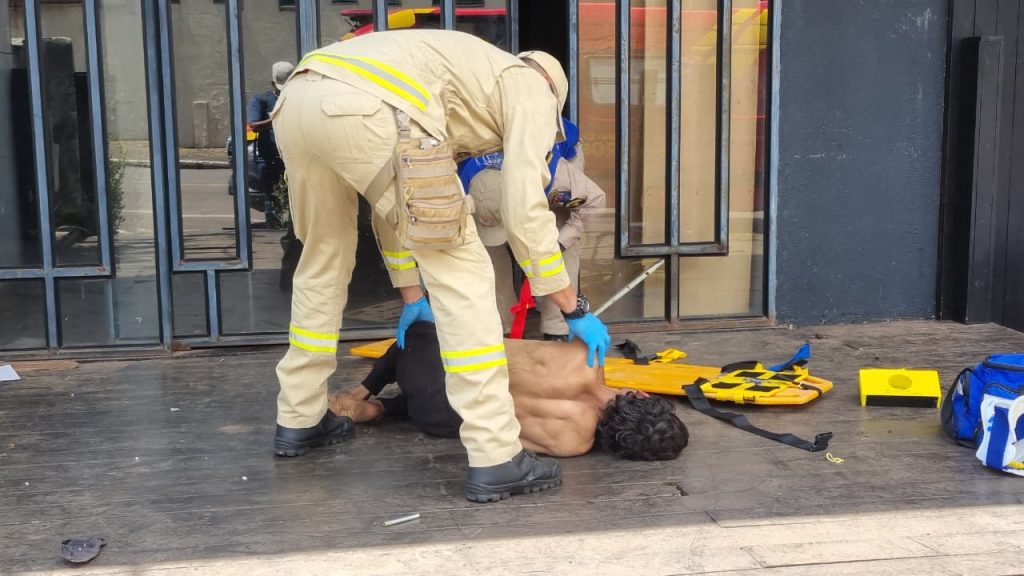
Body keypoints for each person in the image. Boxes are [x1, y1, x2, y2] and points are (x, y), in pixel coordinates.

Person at [269, 30, 612, 503]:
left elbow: (394, 209)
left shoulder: (466, 74)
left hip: (298, 100)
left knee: (322, 259)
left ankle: (300, 418)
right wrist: (571, 308)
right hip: (374, 107)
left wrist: (411, 293)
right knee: (465, 272)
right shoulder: (532, 87)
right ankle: (496, 455)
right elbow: (525, 207)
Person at [330, 322, 689, 461]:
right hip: (433, 412)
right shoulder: (572, 443)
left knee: (427, 337)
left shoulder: (588, 357)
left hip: (425, 355)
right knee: (463, 405)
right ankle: (385, 410)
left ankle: (364, 389)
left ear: (641, 396)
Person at [458, 117, 606, 340]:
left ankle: (557, 327)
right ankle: (504, 325)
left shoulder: (552, 175)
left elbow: (594, 202)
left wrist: (559, 243)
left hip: (552, 151)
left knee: (559, 237)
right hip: (500, 162)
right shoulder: (463, 177)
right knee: (488, 250)